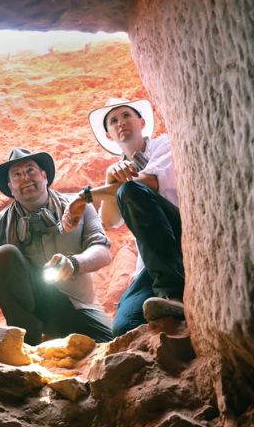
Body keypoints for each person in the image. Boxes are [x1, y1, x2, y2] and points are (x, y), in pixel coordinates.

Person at [62, 98, 185, 337]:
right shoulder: (117, 169)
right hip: (154, 262)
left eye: (127, 116)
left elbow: (151, 182)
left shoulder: (165, 144)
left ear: (141, 122)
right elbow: (110, 220)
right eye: (114, 121)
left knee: (130, 190)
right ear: (109, 135)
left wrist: (85, 195)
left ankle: (173, 294)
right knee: (124, 327)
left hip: (181, 237)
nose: (121, 123)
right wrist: (111, 180)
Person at [0, 148, 114, 346]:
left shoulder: (78, 206)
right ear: (11, 187)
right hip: (37, 307)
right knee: (3, 255)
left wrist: (73, 262)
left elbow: (103, 251)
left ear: (44, 176)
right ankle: (27, 344)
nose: (25, 177)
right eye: (17, 175)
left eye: (30, 170)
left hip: (80, 305)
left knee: (113, 345)